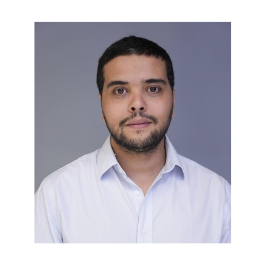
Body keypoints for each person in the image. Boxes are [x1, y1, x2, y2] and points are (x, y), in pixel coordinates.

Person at [33, 36, 232, 244]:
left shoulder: (220, 197)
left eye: (153, 89)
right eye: (120, 91)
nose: (137, 104)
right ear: (101, 104)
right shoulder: (56, 194)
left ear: (173, 99)